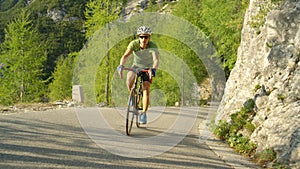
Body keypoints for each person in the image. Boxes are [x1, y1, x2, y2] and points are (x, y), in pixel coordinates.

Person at [117, 26, 159, 124]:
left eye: (146, 37)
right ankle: (133, 96)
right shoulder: (134, 44)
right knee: (129, 80)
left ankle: (143, 113)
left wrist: (153, 70)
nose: (144, 39)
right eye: (141, 37)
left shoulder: (152, 45)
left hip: (148, 68)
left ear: (149, 38)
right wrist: (121, 65)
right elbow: (125, 56)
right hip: (136, 66)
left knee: (146, 89)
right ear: (138, 37)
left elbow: (156, 59)